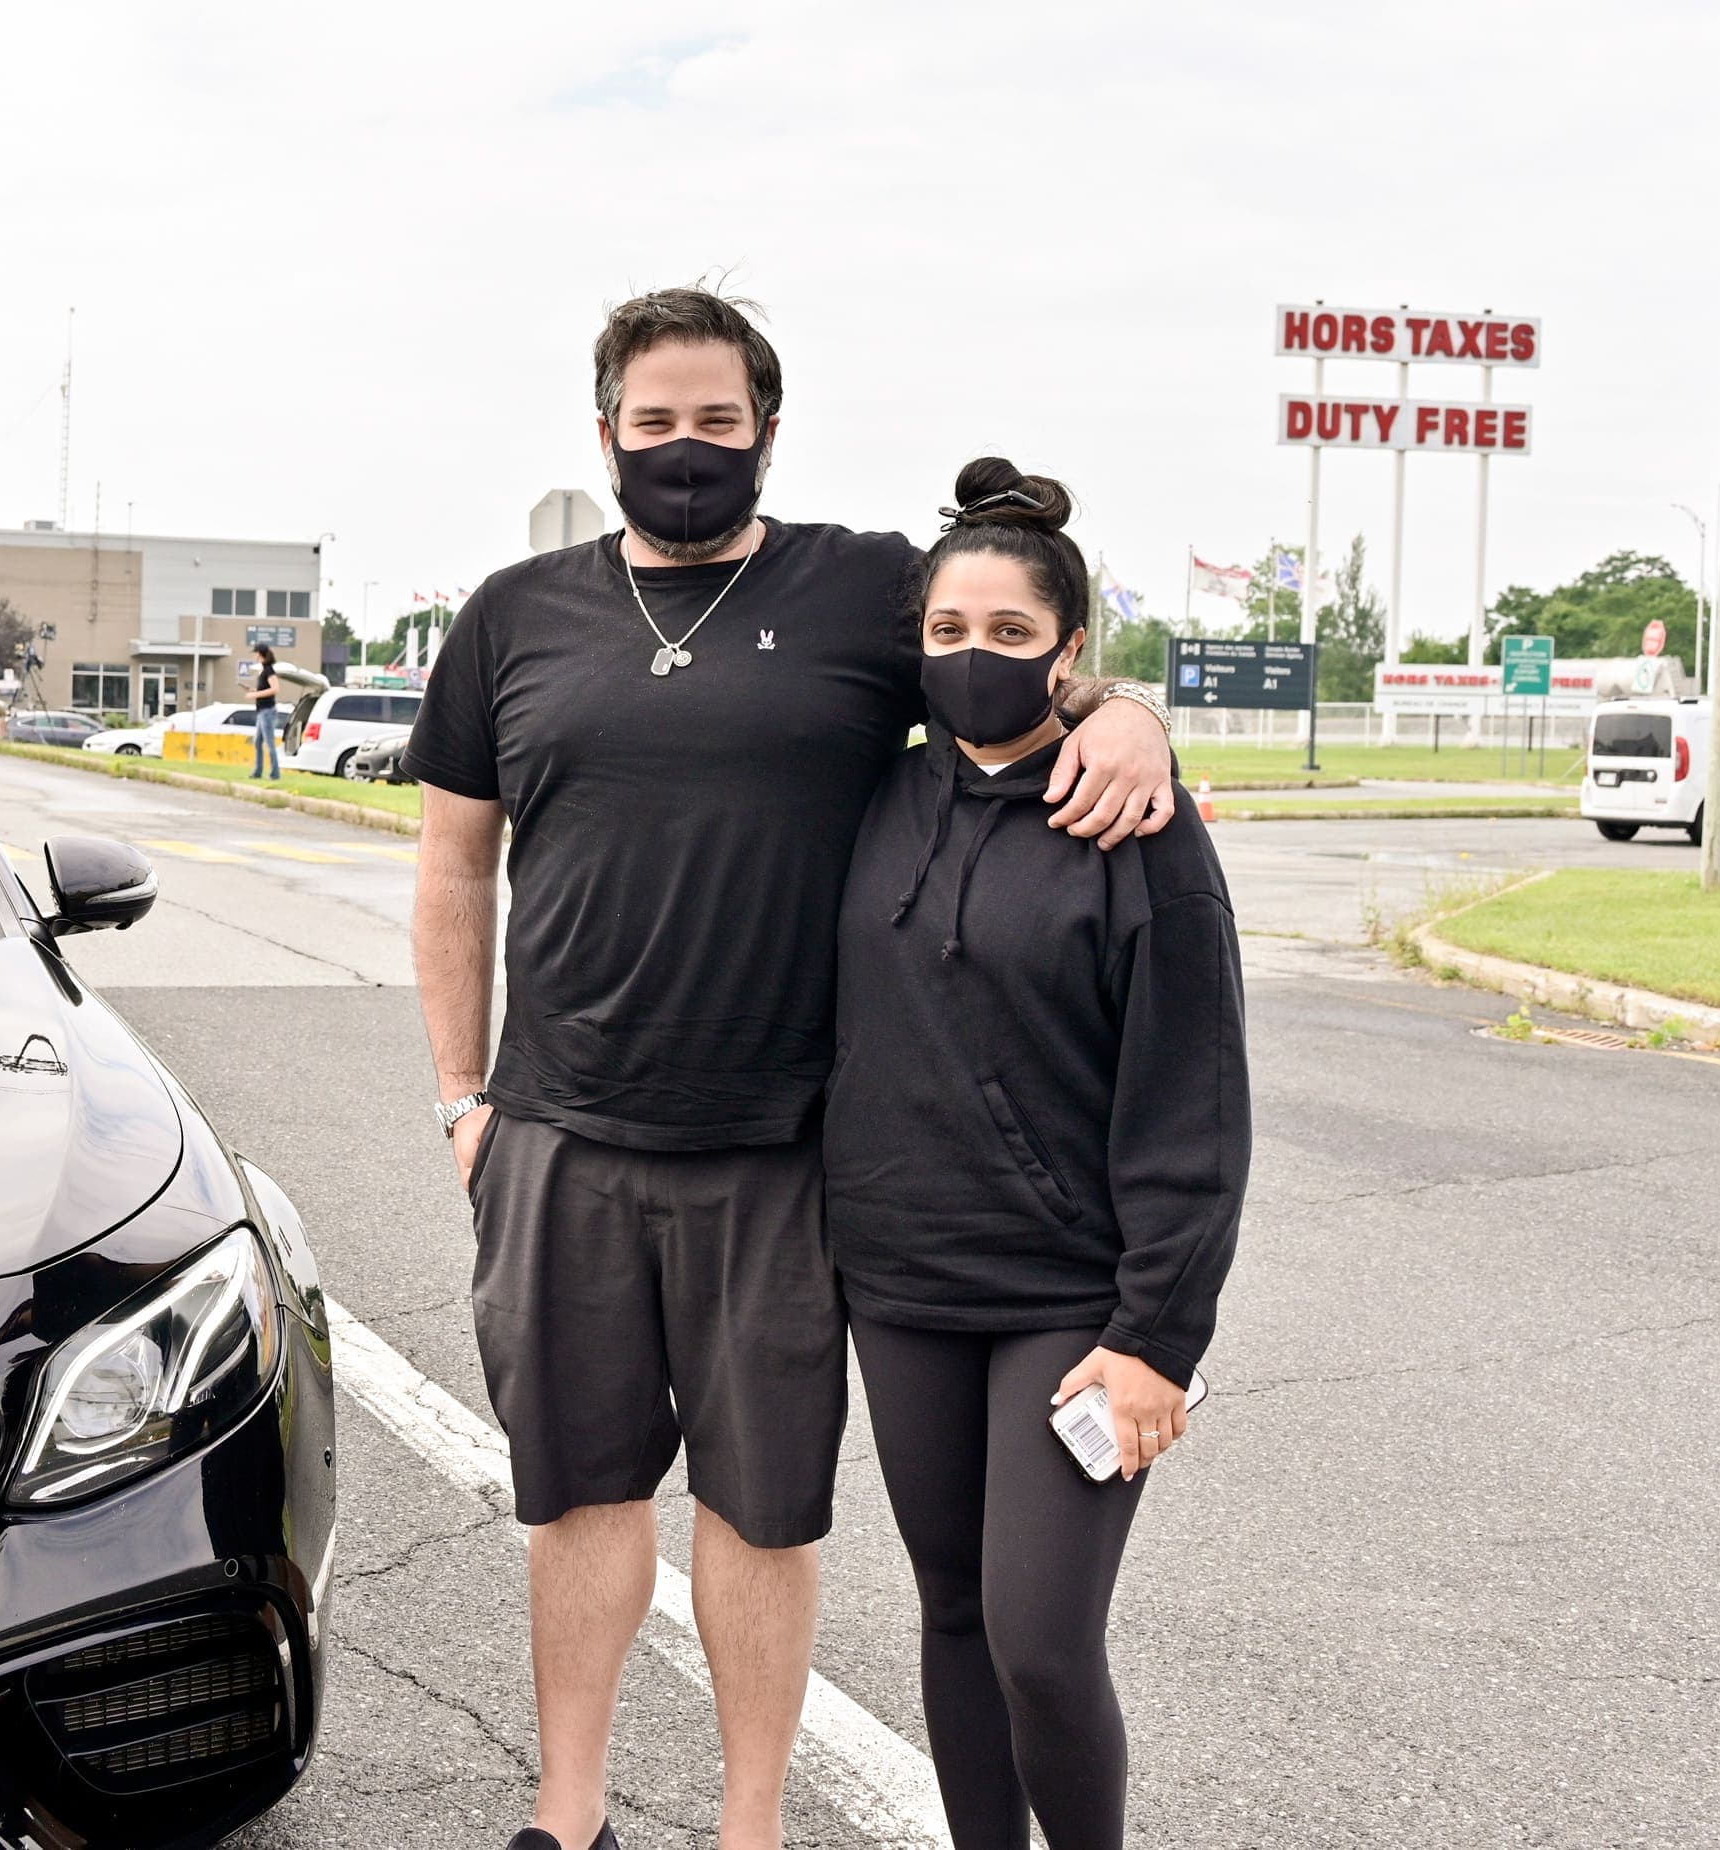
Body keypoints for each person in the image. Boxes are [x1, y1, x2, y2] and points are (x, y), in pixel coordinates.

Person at [403, 288, 1182, 1850]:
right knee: (577, 1497)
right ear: (607, 429)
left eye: (717, 420)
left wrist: (1137, 712)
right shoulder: (513, 613)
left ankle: (747, 1828)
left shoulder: (857, 593)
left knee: (762, 1511)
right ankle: (570, 1817)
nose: (685, 448)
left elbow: (1011, 651)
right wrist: (464, 1093)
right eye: (654, 421)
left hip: (786, 1150)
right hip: (559, 1132)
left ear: (766, 427)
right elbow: (451, 867)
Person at [825, 459, 1249, 1850]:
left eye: (1010, 635)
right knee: (951, 1610)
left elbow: (1196, 1103)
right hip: (902, 1283)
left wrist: (1158, 1337)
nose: (975, 659)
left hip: (1075, 1299)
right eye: (949, 633)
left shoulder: (1140, 824)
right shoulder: (870, 803)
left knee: (1041, 1639)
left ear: (1069, 651)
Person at [248, 643, 284, 779]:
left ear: (260, 653)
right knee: (258, 742)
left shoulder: (269, 670)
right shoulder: (263, 671)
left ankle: (275, 773)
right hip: (261, 711)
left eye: (255, 652)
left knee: (270, 743)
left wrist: (255, 695)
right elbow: (265, 689)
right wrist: (254, 691)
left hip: (267, 711)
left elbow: (275, 689)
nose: (254, 655)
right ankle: (257, 771)